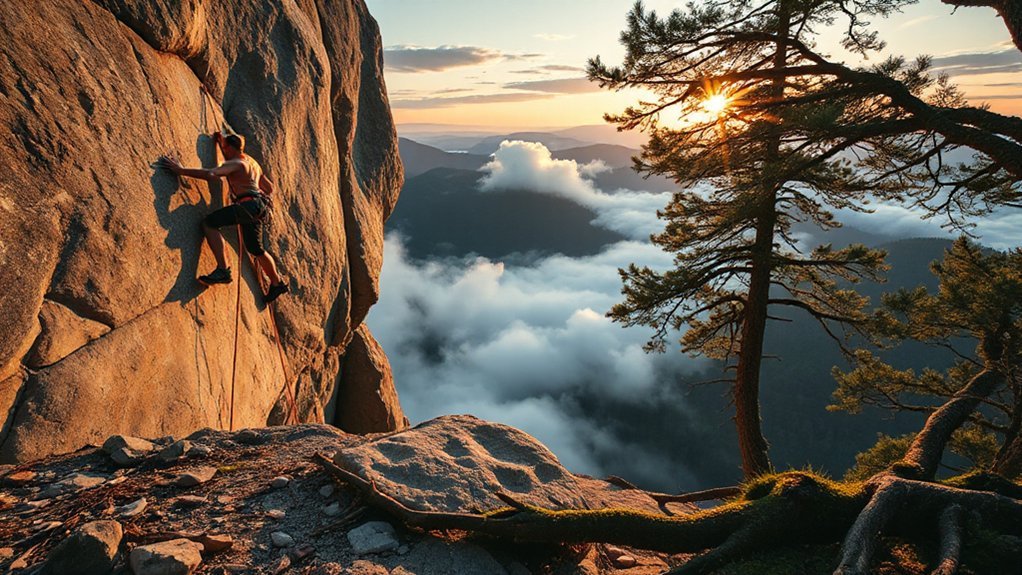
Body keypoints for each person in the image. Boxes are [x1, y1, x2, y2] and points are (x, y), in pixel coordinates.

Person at [158, 132, 289, 303]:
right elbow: (269, 188)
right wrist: (221, 142)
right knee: (256, 249)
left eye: (224, 148)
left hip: (247, 205)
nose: (223, 151)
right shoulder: (252, 162)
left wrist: (180, 170)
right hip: (259, 207)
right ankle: (277, 283)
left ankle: (223, 270)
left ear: (230, 148)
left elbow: (212, 174)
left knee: (209, 223)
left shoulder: (236, 163)